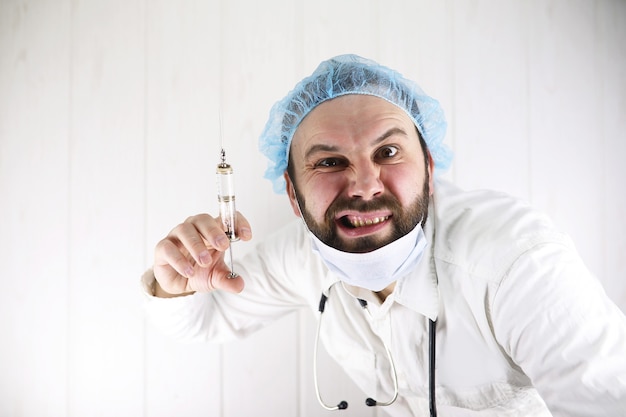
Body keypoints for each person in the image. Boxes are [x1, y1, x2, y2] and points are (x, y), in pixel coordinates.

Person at [142, 54, 626, 416]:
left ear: (430, 168)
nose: (365, 185)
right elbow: (200, 321)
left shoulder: (515, 261)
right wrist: (176, 279)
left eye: (389, 152)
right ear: (292, 193)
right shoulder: (302, 256)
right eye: (330, 162)